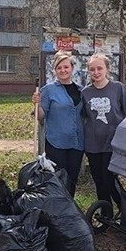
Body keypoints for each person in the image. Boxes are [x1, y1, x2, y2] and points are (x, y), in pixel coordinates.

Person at [82, 53, 126, 209]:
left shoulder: (118, 88)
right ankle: (106, 216)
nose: (96, 72)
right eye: (92, 69)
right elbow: (83, 117)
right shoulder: (85, 93)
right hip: (93, 145)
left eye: (99, 68)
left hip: (113, 144)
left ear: (107, 69)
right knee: (99, 183)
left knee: (109, 181)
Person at [32, 50, 85, 197]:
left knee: (72, 179)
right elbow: (41, 116)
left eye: (66, 67)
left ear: (72, 68)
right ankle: (58, 211)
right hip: (56, 142)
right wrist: (37, 104)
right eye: (59, 68)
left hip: (77, 143)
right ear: (55, 70)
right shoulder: (48, 90)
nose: (63, 70)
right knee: (58, 179)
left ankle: (70, 210)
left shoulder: (81, 90)